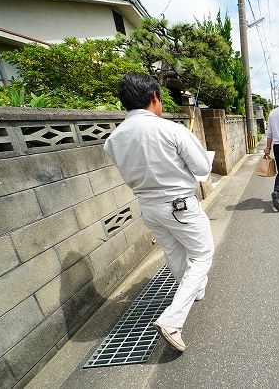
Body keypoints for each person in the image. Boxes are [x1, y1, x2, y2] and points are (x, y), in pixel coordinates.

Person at [104, 73, 213, 352]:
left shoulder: (113, 140)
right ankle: (173, 319)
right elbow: (202, 170)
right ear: (154, 98)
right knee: (201, 256)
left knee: (174, 253)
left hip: (149, 207)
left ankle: (194, 291)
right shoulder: (172, 130)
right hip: (180, 206)